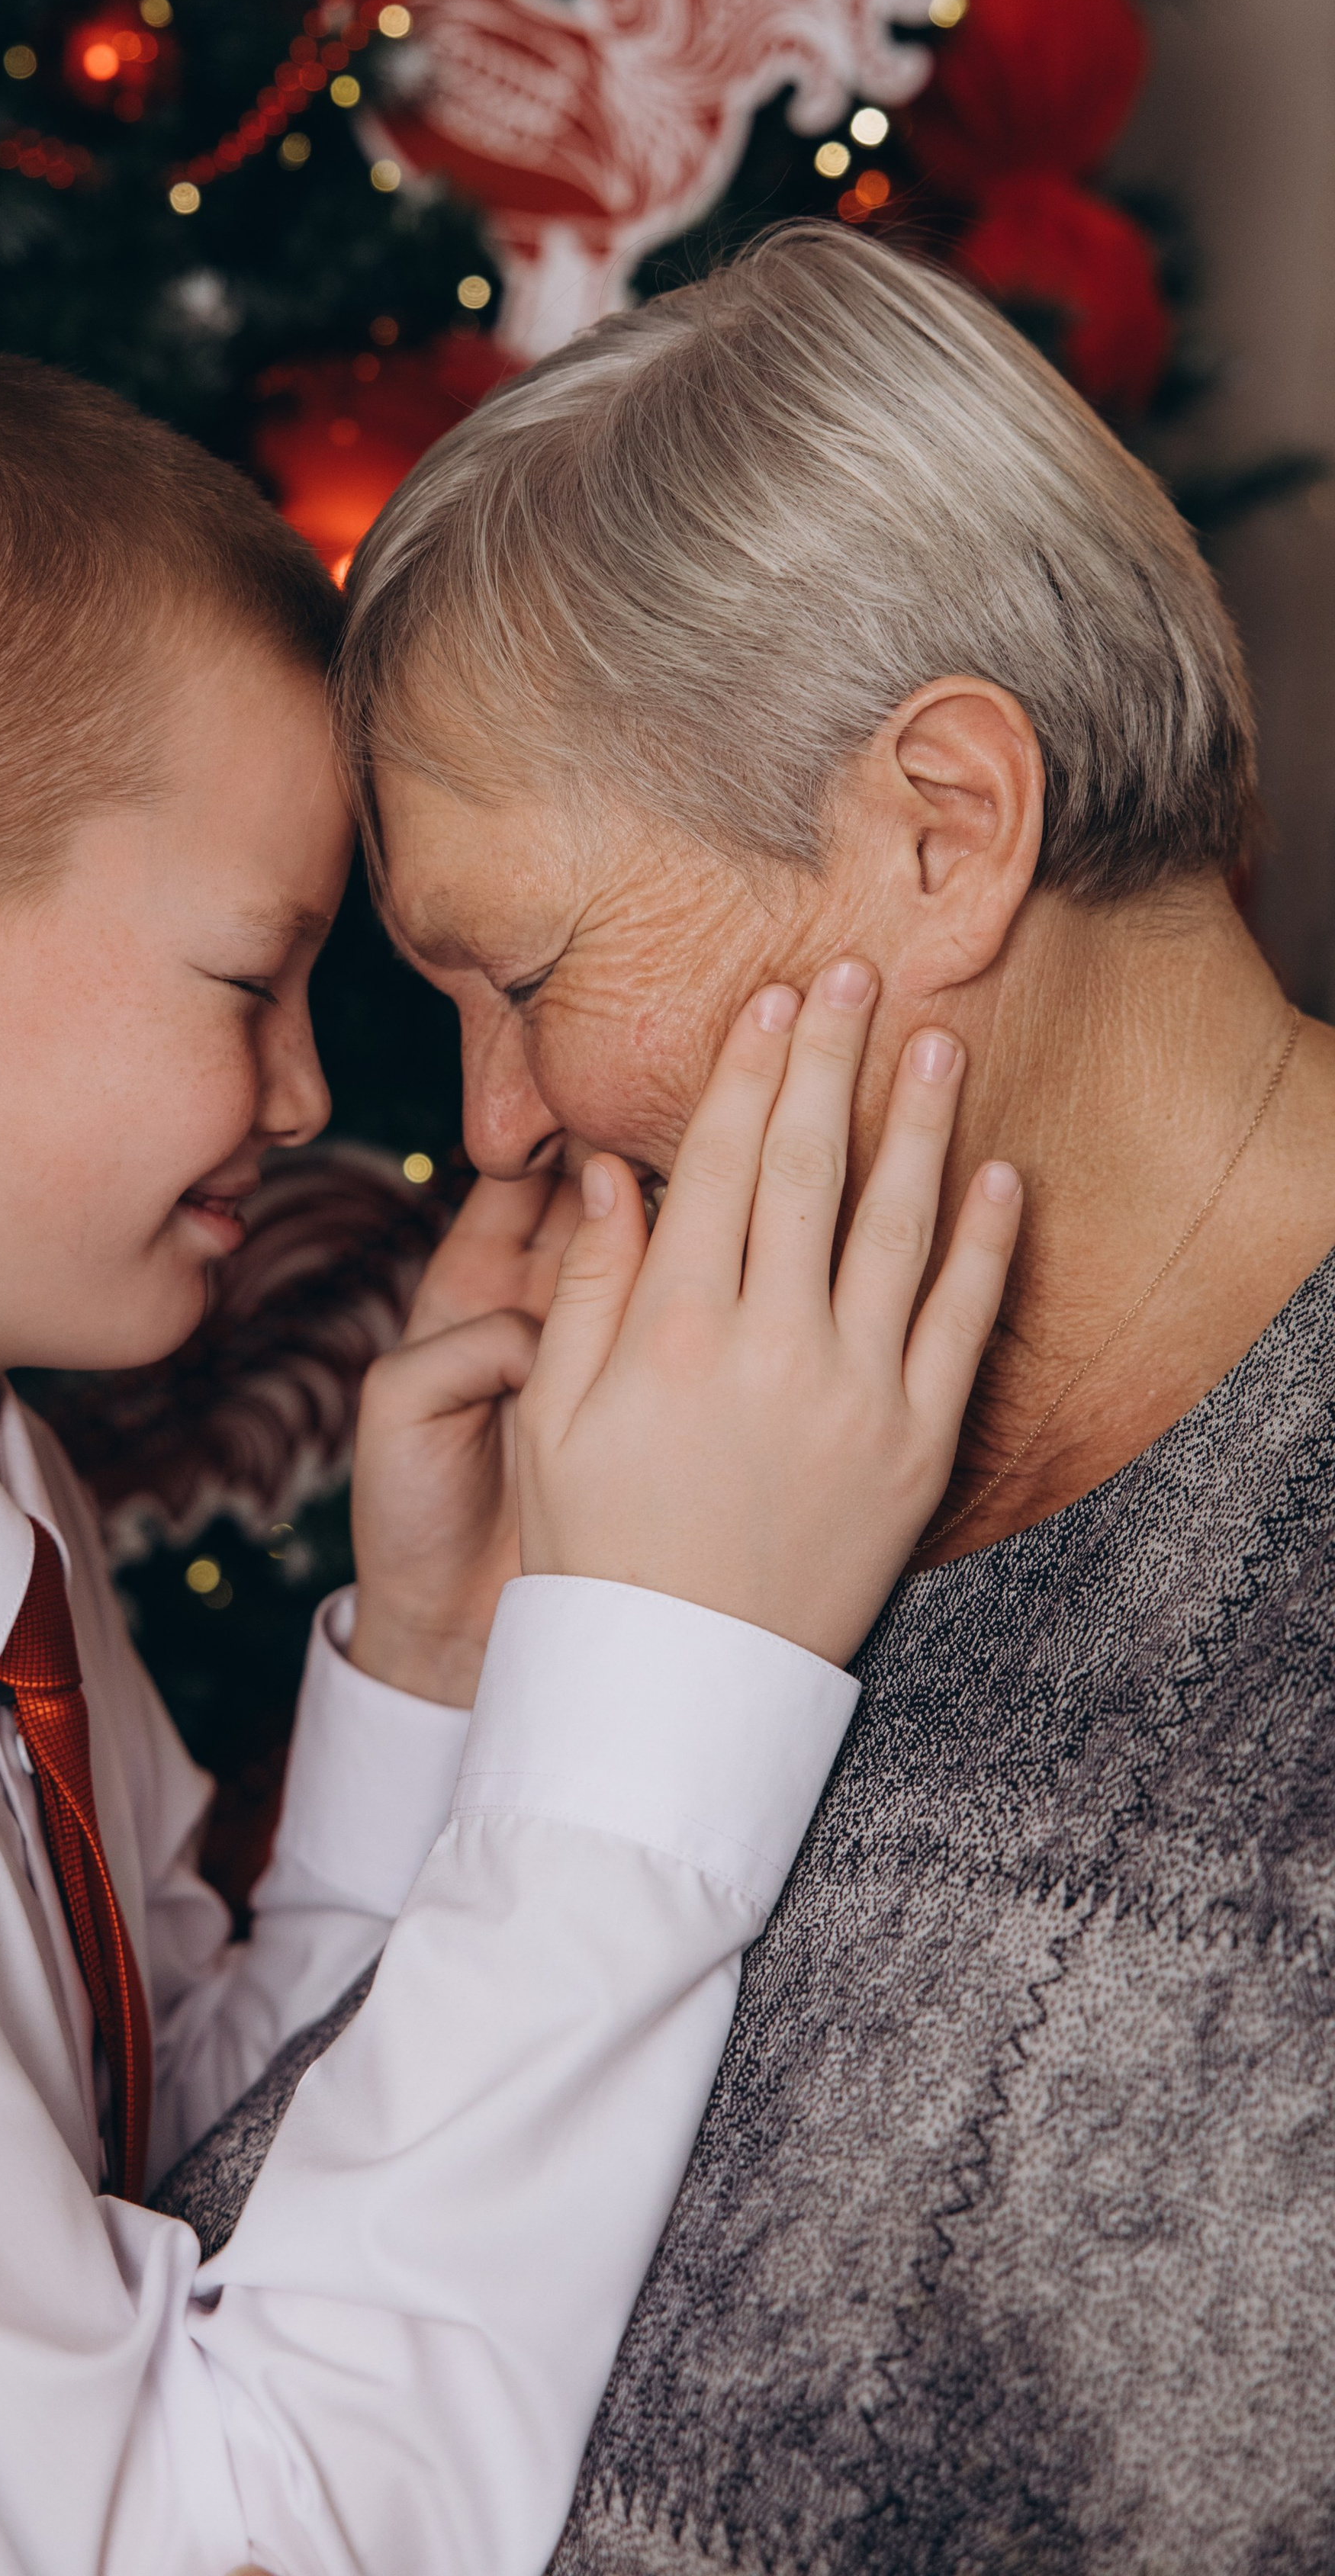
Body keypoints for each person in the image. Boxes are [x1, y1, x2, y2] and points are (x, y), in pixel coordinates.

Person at [0, 337, 1015, 2576]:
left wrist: (430, 1661)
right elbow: (192, 2538)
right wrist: (663, 1677)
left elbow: (145, 2169)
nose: (304, 1097)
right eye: (250, 980)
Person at [161, 223, 1335, 2572]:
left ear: (941, 830)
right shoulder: (708, 1461)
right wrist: (488, 1679)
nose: (493, 1128)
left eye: (523, 977)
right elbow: (270, 2388)